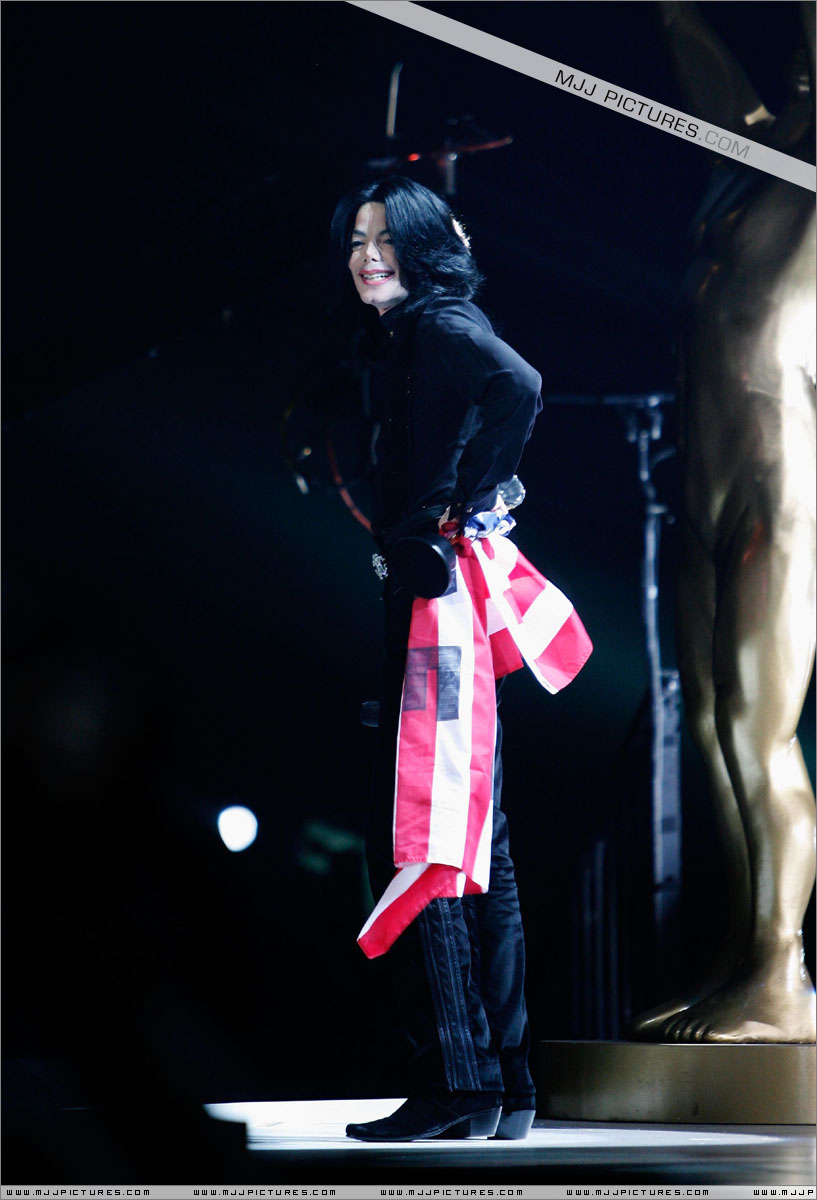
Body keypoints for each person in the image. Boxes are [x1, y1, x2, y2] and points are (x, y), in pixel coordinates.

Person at [329, 176, 589, 1142]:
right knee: (480, 832)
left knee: (427, 831)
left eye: (385, 238)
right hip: (439, 598)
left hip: (433, 606)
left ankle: (460, 1080)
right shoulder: (415, 331)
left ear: (425, 244)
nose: (367, 257)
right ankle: (504, 1083)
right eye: (356, 241)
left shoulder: (438, 323)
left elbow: (519, 384)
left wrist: (462, 504)